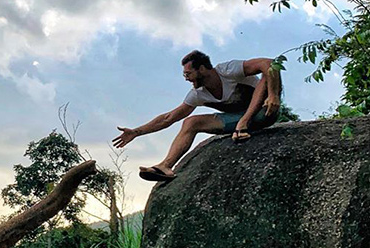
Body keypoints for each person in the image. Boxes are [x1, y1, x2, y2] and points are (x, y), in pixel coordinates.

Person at [113, 50, 282, 182]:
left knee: (265, 77)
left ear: (202, 69)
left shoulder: (227, 70)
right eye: (184, 75)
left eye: (188, 74)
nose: (186, 79)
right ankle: (165, 166)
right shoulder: (198, 94)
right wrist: (136, 132)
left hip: (264, 112)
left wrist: (273, 95)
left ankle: (244, 122)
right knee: (191, 122)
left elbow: (269, 63)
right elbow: (169, 118)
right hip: (237, 123)